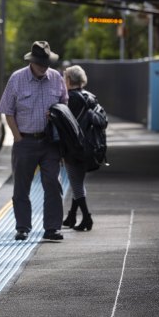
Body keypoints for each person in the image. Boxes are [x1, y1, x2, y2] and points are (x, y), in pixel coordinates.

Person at [0, 41, 68, 241]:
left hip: (50, 143)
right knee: (21, 187)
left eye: (46, 63)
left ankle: (52, 228)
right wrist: (17, 138)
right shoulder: (17, 79)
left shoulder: (56, 78)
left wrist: (57, 116)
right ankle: (22, 227)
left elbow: (65, 105)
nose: (44, 68)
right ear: (32, 62)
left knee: (53, 184)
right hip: (25, 142)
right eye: (40, 64)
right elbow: (7, 111)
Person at [62, 65, 94, 231]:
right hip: (88, 147)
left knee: (76, 183)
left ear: (69, 80)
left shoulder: (69, 99)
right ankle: (72, 216)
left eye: (64, 77)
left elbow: (65, 125)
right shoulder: (89, 96)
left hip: (74, 148)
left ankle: (87, 218)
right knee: (78, 182)